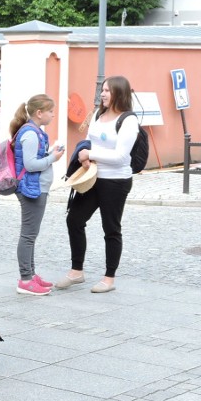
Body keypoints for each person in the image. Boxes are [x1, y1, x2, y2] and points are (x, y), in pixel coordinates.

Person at [56, 75, 139, 294]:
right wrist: (84, 157)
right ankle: (77, 271)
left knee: (111, 228)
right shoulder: (98, 115)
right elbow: (90, 142)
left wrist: (90, 153)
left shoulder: (128, 121)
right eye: (102, 90)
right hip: (91, 176)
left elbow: (121, 156)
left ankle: (109, 277)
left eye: (107, 91)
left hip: (116, 181)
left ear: (119, 94)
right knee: (74, 219)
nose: (102, 94)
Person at [10, 94, 65, 296]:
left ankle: (31, 275)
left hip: (35, 188)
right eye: (51, 111)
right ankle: (25, 279)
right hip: (31, 189)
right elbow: (31, 164)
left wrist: (50, 153)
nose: (52, 115)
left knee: (31, 235)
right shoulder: (31, 134)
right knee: (28, 235)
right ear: (39, 113)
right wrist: (53, 158)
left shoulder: (34, 132)